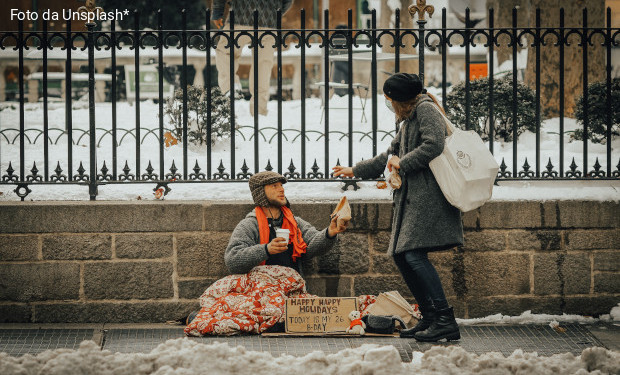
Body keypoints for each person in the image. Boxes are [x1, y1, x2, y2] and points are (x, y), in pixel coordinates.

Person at [332, 73, 464, 342]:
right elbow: (388, 154)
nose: (388, 103)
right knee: (402, 255)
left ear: (401, 99)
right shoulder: (408, 119)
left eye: (389, 99)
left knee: (413, 255)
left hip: (428, 198)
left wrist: (403, 163)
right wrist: (354, 170)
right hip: (412, 198)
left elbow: (434, 145)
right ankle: (429, 317)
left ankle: (445, 320)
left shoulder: (426, 110)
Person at [225, 171, 348, 276]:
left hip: (292, 287)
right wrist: (266, 249)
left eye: (281, 186)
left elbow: (313, 245)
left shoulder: (294, 222)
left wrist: (330, 233)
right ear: (260, 192)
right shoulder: (249, 225)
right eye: (274, 186)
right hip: (260, 290)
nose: (281, 189)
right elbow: (232, 261)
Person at [211, 0, 294, 117]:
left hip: (240, 15)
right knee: (263, 66)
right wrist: (274, 11)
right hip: (269, 20)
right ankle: (259, 111)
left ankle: (231, 89)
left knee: (225, 52)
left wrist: (217, 13)